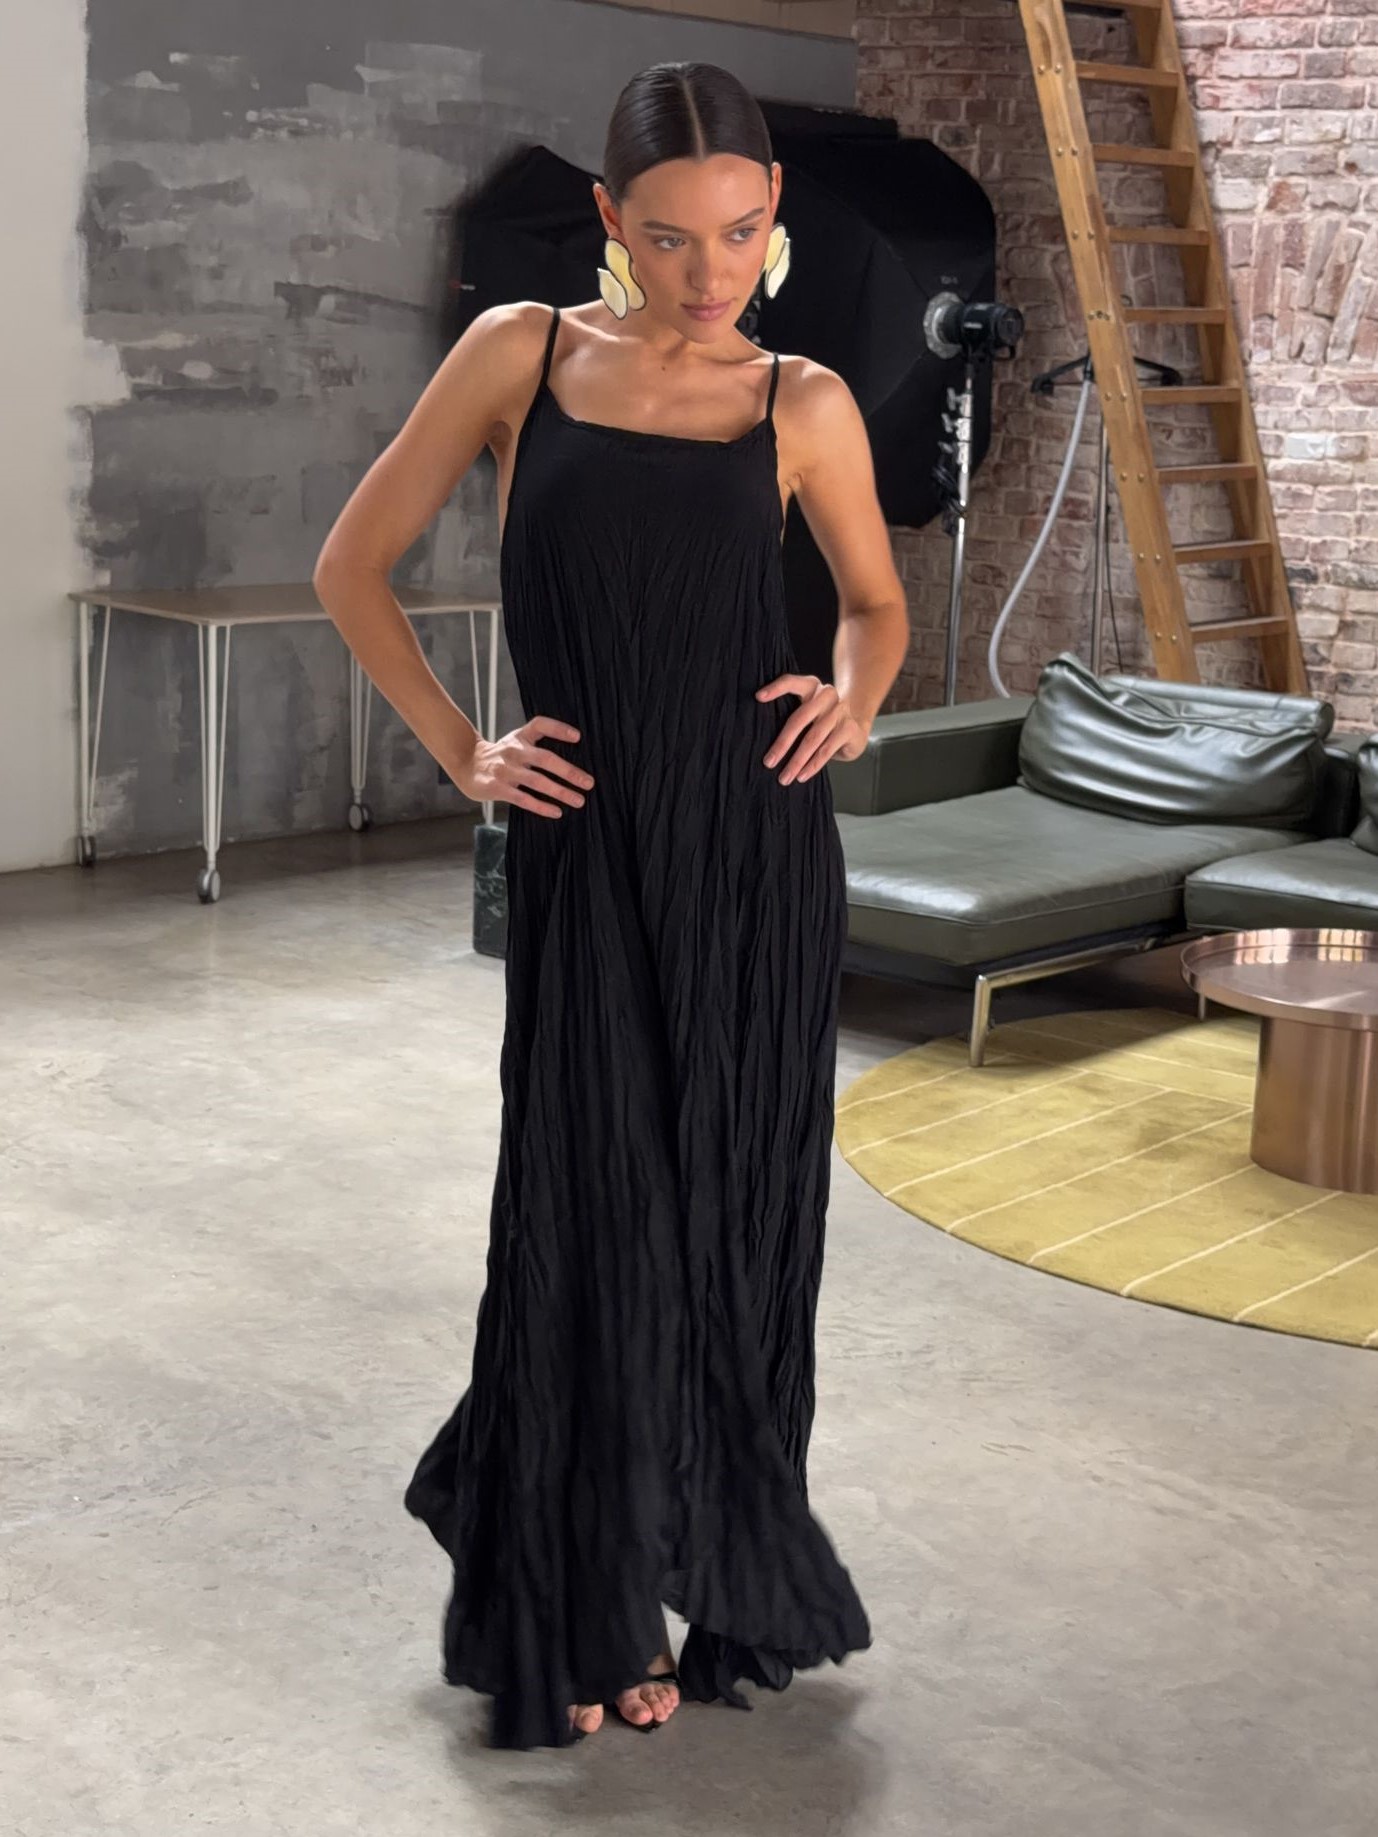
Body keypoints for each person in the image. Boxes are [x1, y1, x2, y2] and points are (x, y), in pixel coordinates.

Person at [313, 59, 911, 1753]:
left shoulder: (801, 399)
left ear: (771, 216)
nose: (706, 272)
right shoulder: (520, 353)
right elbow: (352, 565)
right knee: (585, 1221)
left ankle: (683, 1575)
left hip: (754, 861)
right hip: (586, 855)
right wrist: (464, 748)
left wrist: (853, 697)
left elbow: (873, 606)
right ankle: (575, 1593)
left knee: (723, 1231)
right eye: (666, 236)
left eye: (736, 231)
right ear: (607, 220)